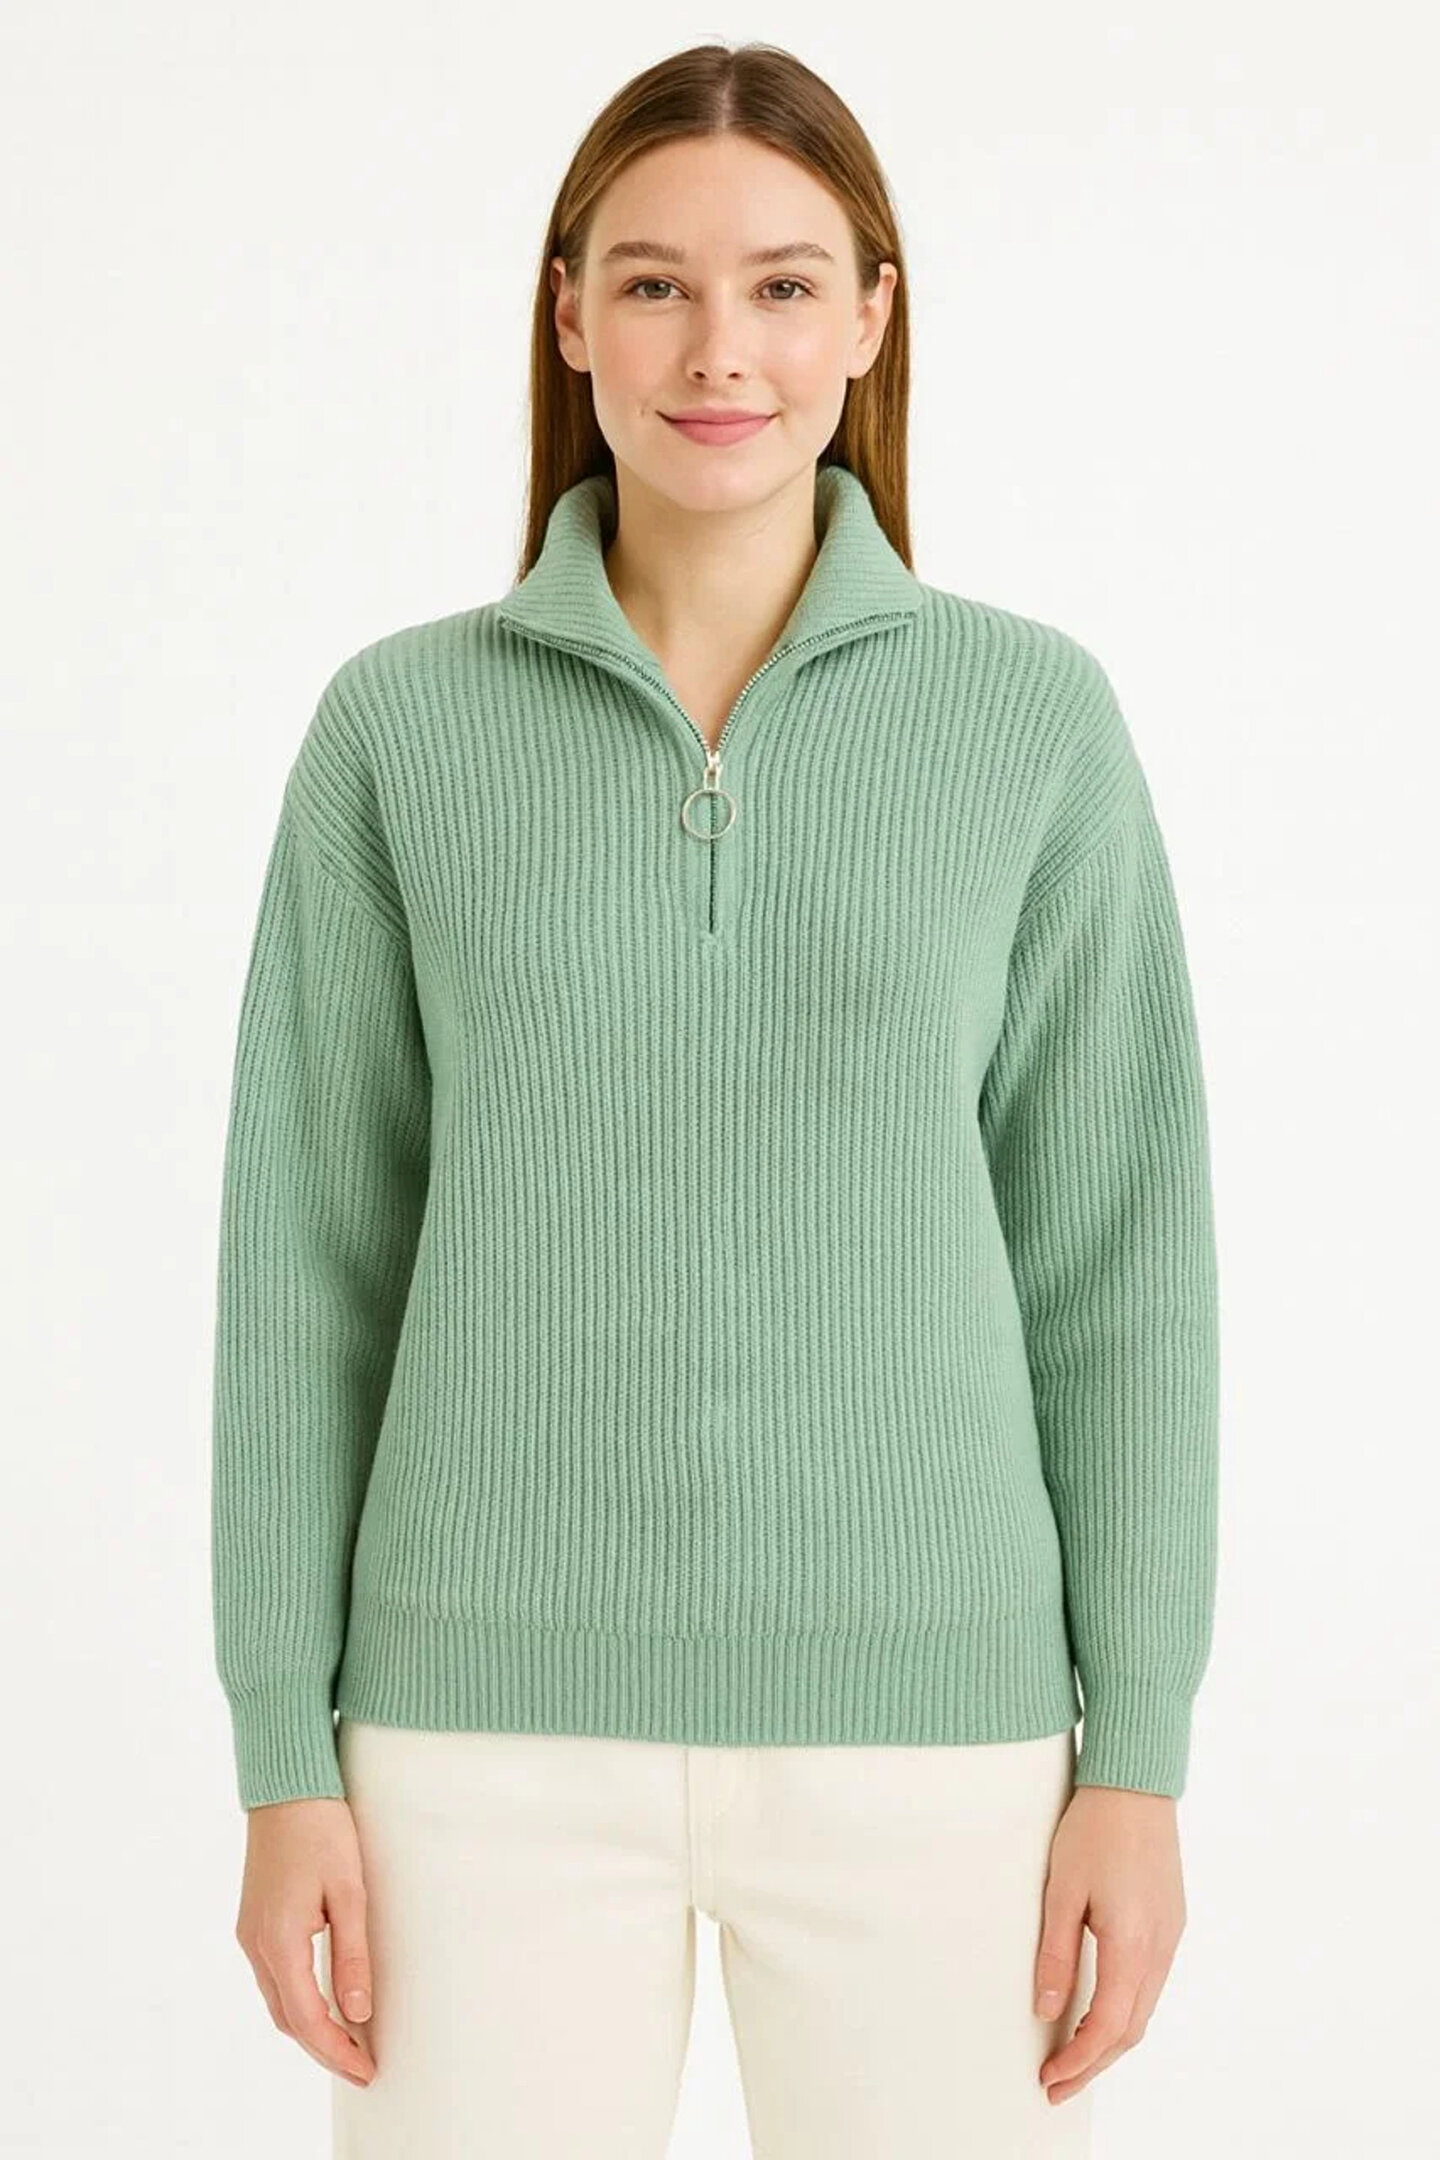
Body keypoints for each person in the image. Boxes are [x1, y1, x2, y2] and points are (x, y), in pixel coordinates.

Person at [211, 39, 1220, 2159]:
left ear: (872, 319)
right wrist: (282, 1757)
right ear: (570, 315)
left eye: (782, 285)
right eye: (655, 284)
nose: (719, 349)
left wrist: (1134, 1758)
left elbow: (1119, 1272)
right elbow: (308, 1270)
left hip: (936, 1737)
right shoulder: (399, 733)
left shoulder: (1031, 725)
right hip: (471, 1739)